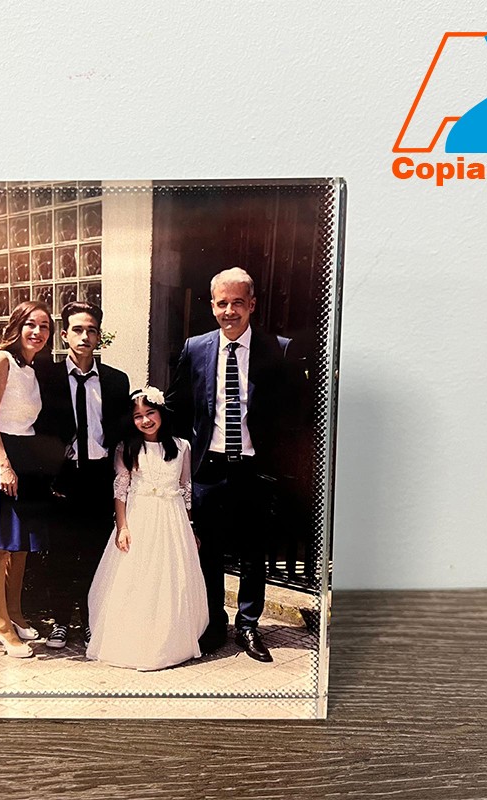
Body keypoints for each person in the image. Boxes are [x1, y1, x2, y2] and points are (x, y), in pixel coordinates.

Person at [166, 267, 291, 662]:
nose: (230, 311)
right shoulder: (195, 348)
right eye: (223, 303)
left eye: (238, 302)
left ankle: (249, 625)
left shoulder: (277, 349)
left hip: (254, 469)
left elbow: (293, 412)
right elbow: (176, 405)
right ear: (212, 306)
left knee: (254, 551)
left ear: (252, 305)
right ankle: (215, 624)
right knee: (210, 551)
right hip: (209, 468)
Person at [86, 388, 208, 671]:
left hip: (172, 520)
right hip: (140, 517)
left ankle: (170, 641)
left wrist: (190, 527)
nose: (145, 420)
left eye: (150, 413)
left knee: (171, 579)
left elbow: (185, 489)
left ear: (161, 412)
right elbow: (121, 490)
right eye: (138, 416)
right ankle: (136, 640)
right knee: (139, 578)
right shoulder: (127, 448)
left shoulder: (181, 447)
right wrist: (122, 527)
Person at [34, 301, 130, 649]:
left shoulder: (116, 381)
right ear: (64, 335)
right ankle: (61, 621)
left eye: (91, 330)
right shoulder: (46, 377)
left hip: (99, 477)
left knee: (95, 553)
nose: (84, 336)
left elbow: (122, 432)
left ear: (99, 336)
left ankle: (91, 621)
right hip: (64, 478)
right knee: (61, 552)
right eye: (77, 329)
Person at [0, 300, 54, 658]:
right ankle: (0, 626)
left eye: (45, 326)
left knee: (20, 546)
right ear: (17, 326)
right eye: (31, 324)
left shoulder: (31, 369)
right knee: (1, 544)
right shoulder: (1, 360)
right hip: (3, 455)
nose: (38, 332)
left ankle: (15, 615)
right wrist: (4, 465)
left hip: (26, 456)